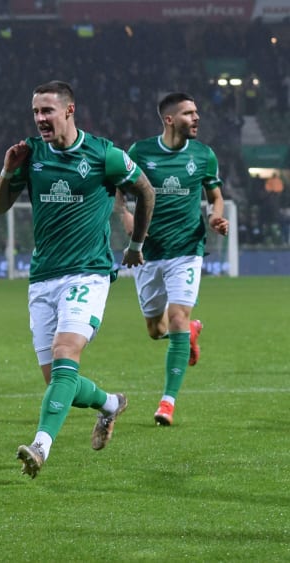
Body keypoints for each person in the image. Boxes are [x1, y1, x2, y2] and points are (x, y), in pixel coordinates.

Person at [0, 80, 156, 479]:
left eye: (47, 110)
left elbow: (146, 191)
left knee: (66, 351)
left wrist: (135, 244)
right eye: (35, 112)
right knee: (59, 382)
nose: (40, 118)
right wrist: (7, 170)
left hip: (88, 274)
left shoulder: (103, 154)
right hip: (42, 278)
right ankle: (111, 404)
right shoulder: (31, 154)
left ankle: (40, 446)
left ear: (69, 110)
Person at [115, 92, 229, 427]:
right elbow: (119, 191)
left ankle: (167, 403)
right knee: (156, 330)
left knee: (177, 317)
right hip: (148, 252)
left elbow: (216, 197)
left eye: (196, 112)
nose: (196, 118)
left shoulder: (204, 155)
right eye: (188, 113)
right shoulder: (140, 152)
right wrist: (126, 217)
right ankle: (188, 333)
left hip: (187, 249)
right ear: (169, 119)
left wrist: (215, 217)